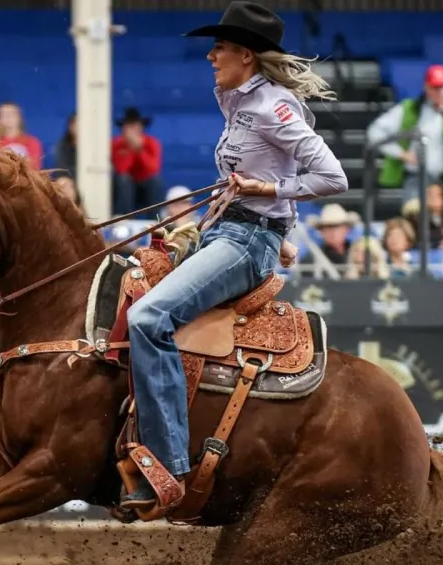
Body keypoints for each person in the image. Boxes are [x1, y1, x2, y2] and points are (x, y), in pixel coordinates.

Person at [122, 0, 347, 511]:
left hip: (243, 242)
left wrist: (267, 196)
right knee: (133, 284)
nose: (211, 57)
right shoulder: (237, 99)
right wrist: (283, 222)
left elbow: (333, 176)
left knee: (148, 317)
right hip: (230, 232)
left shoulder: (273, 107)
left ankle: (169, 463)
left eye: (219, 47)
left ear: (246, 54)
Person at [367, 64, 443, 208]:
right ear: (426, 87)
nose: (439, 92)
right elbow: (374, 132)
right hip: (416, 179)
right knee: (412, 222)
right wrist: (400, 153)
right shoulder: (409, 109)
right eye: (435, 87)